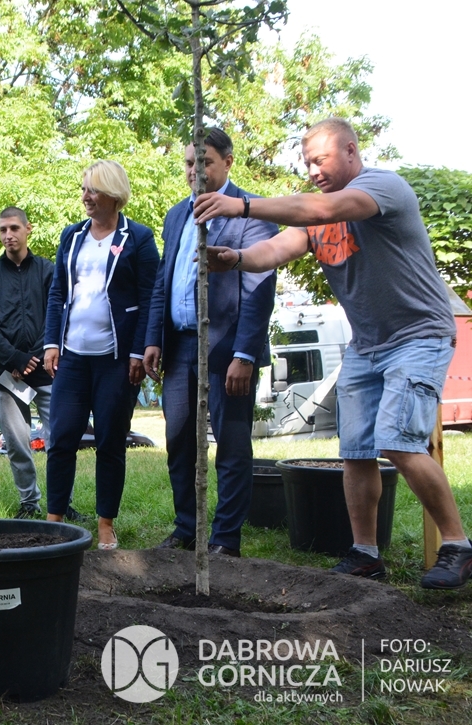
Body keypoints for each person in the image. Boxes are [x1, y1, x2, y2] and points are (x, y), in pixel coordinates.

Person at [200, 117, 472, 589]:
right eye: (307, 163)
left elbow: (323, 209)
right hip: (365, 345)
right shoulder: (317, 218)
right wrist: (237, 258)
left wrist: (242, 205)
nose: (313, 171)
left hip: (418, 336)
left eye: (320, 160)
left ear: (350, 150)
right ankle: (365, 553)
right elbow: (277, 248)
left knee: (396, 439)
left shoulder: (381, 188)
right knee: (356, 450)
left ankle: (458, 546)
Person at [143, 130, 277, 558]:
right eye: (188, 163)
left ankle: (225, 538)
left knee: (231, 445)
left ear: (228, 162)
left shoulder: (251, 213)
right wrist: (152, 339)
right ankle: (187, 528)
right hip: (179, 346)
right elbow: (163, 282)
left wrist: (244, 354)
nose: (194, 171)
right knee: (179, 440)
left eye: (204, 162)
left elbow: (260, 289)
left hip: (227, 349)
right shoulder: (175, 215)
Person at [43, 160, 158, 549]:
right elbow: (57, 292)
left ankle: (105, 522)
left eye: (92, 190)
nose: (85, 197)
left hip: (116, 360)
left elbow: (149, 297)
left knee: (110, 440)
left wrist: (139, 351)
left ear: (112, 193)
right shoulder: (72, 235)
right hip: (72, 357)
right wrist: (51, 342)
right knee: (61, 438)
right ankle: (54, 520)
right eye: (84, 189)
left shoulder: (138, 238)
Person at [0, 207, 54, 518]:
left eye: (14, 228)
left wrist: (33, 357)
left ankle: (61, 503)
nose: (8, 235)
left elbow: (56, 316)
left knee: (59, 439)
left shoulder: (47, 270)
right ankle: (29, 502)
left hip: (46, 369)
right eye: (2, 230)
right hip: (7, 374)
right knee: (17, 443)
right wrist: (14, 359)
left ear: (27, 229)